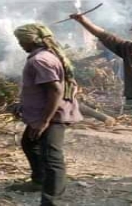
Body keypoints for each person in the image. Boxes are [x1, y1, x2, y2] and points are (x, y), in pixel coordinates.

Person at [10, 24, 82, 206]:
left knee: (52, 158)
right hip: (42, 113)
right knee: (29, 143)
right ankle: (39, 181)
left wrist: (44, 121)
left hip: (52, 115)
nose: (20, 44)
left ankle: (51, 201)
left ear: (32, 40)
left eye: (21, 40)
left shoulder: (40, 60)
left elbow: (55, 91)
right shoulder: (44, 56)